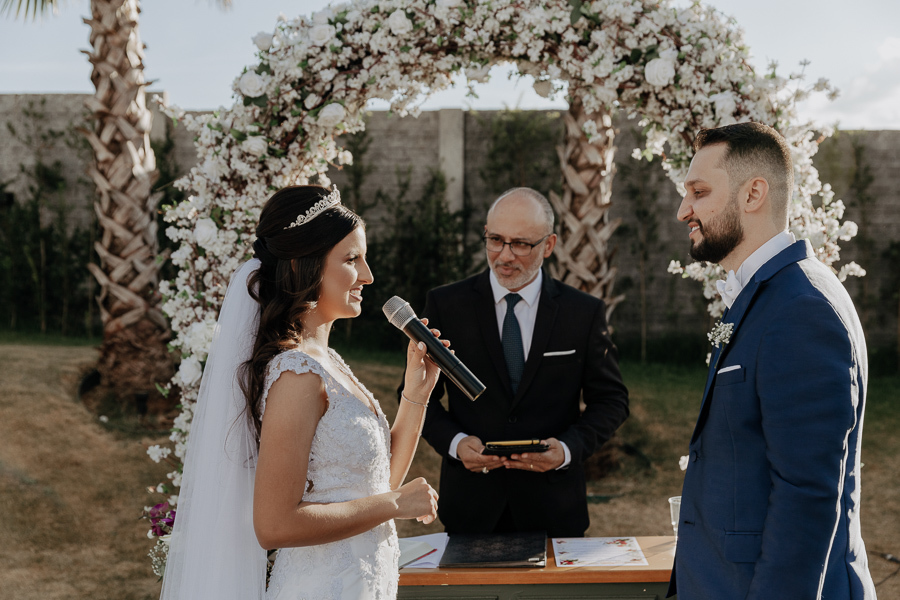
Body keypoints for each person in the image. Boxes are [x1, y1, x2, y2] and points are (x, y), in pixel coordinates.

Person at [160, 185, 444, 600]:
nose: (368, 275)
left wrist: (416, 394)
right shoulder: (296, 374)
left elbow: (375, 486)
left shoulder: (329, 364)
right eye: (352, 259)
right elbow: (275, 525)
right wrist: (396, 505)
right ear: (303, 266)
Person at [668, 122, 876, 599]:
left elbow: (806, 498)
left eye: (699, 192)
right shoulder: (771, 294)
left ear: (753, 193)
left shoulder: (802, 308)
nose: (683, 211)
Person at [406, 187, 630, 538]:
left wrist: (567, 450)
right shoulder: (446, 305)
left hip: (555, 509)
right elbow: (417, 396)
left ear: (549, 245)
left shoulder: (583, 312)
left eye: (521, 244)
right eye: (496, 240)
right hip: (471, 508)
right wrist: (455, 443)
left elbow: (612, 400)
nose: (505, 255)